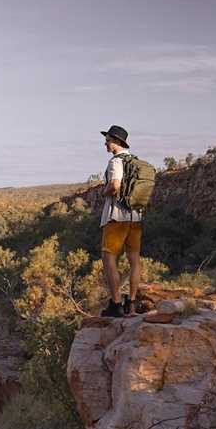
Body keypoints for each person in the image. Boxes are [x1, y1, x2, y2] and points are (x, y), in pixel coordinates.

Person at [98, 125, 141, 317]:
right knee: (134, 260)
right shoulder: (136, 161)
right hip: (136, 217)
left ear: (116, 142)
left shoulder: (116, 162)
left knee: (108, 258)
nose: (105, 143)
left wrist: (103, 192)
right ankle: (131, 303)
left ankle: (116, 304)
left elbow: (115, 186)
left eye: (107, 140)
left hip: (117, 217)